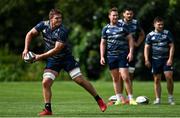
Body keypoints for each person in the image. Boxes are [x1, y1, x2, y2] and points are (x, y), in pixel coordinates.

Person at [22, 9, 107, 116]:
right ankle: (48, 109)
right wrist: (26, 49)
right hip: (53, 61)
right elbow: (29, 34)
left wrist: (40, 57)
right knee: (45, 82)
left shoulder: (63, 31)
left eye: (61, 18)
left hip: (66, 59)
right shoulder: (43, 25)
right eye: (57, 18)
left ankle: (99, 100)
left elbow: (57, 49)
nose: (59, 20)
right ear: (50, 19)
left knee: (80, 80)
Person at [100, 7, 137, 105]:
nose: (115, 17)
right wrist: (102, 56)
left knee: (125, 76)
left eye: (116, 15)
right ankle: (119, 99)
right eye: (113, 15)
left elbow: (130, 39)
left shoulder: (123, 26)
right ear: (109, 16)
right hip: (111, 56)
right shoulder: (106, 29)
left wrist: (131, 52)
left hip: (122, 55)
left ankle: (131, 98)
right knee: (115, 78)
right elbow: (103, 43)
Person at [144, 16, 175, 105]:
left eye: (162, 24)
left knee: (169, 77)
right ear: (154, 25)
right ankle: (158, 99)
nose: (161, 26)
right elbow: (146, 47)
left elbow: (172, 46)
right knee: (157, 80)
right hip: (155, 60)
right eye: (159, 24)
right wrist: (146, 59)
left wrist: (170, 58)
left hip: (166, 59)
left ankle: (170, 98)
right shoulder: (150, 35)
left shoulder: (167, 33)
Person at [119, 7, 145, 91]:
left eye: (131, 14)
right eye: (127, 14)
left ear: (133, 14)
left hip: (132, 52)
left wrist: (137, 43)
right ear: (124, 14)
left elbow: (142, 34)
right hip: (120, 51)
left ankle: (129, 97)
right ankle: (120, 97)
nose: (129, 15)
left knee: (130, 75)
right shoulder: (118, 23)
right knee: (120, 75)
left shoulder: (135, 23)